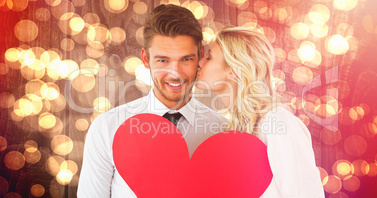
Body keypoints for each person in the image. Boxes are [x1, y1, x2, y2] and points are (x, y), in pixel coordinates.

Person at [77, 4, 227, 197]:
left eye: (186, 59)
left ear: (200, 55)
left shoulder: (223, 132)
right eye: (163, 60)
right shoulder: (108, 128)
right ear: (145, 59)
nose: (175, 74)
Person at [196, 26, 325, 197]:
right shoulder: (232, 130)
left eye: (209, 57)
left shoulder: (277, 122)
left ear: (233, 70)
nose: (200, 62)